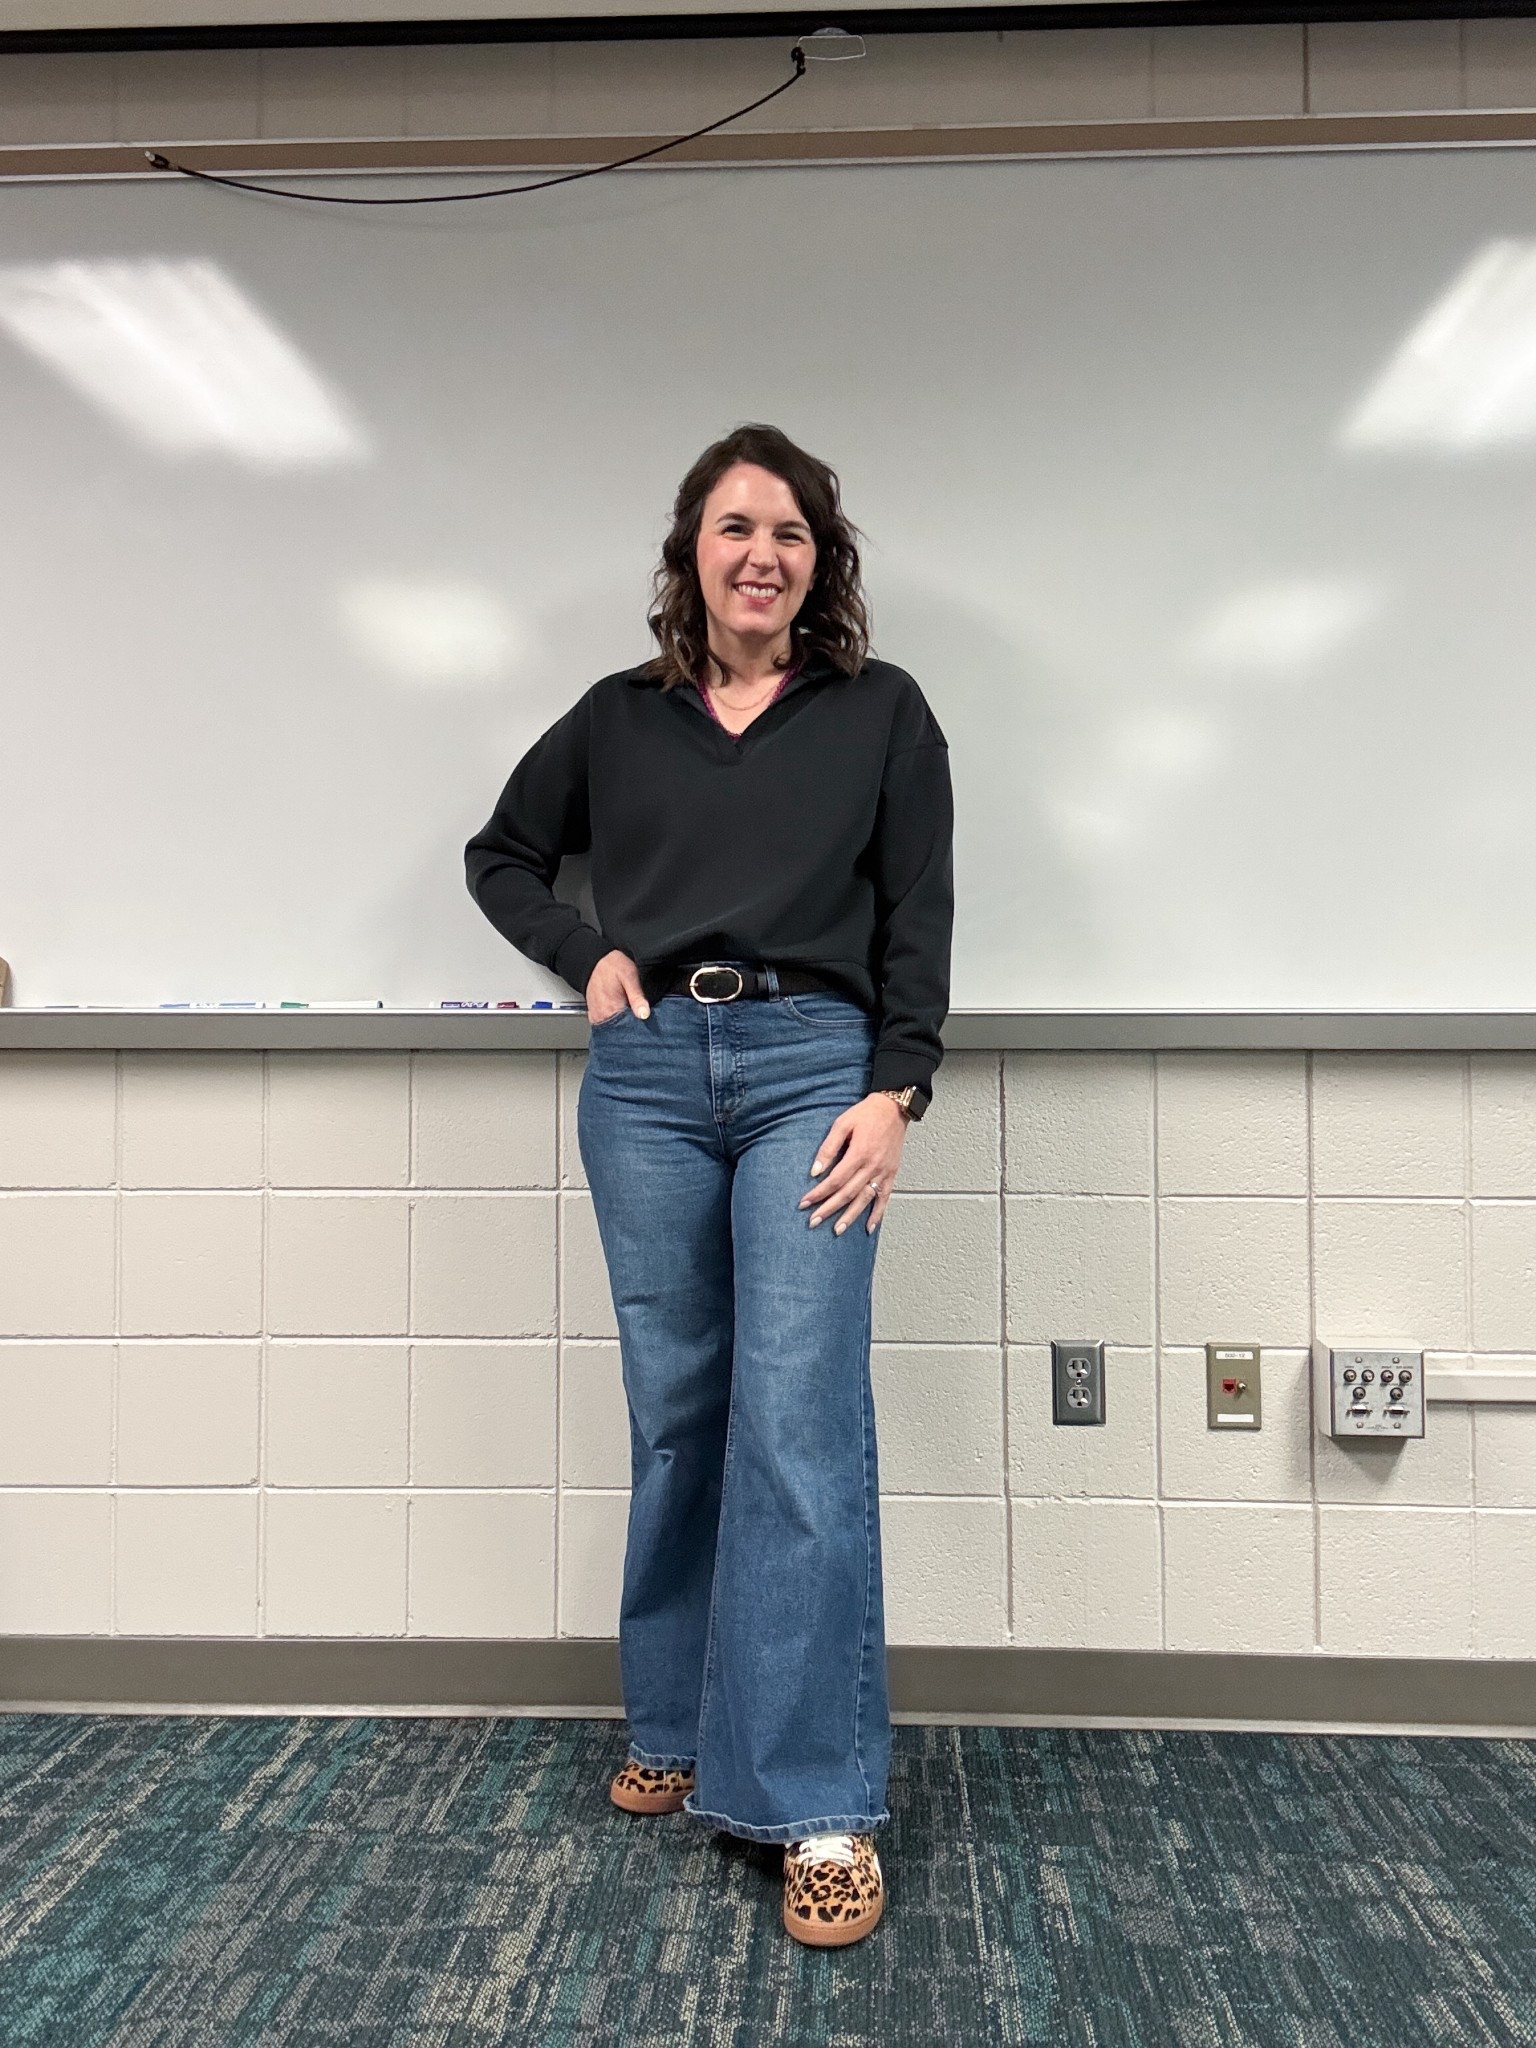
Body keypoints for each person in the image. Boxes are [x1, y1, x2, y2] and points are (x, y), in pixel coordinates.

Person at [465, 422, 954, 1948]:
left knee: (796, 1414)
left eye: (792, 532)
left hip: (816, 1072)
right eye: (736, 528)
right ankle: (674, 1725)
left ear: (824, 563)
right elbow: (503, 856)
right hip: (654, 1076)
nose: (763, 554)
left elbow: (921, 919)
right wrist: (583, 952)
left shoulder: (882, 715)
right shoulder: (621, 720)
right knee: (679, 1409)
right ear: (691, 554)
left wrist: (898, 1087)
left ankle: (817, 1801)